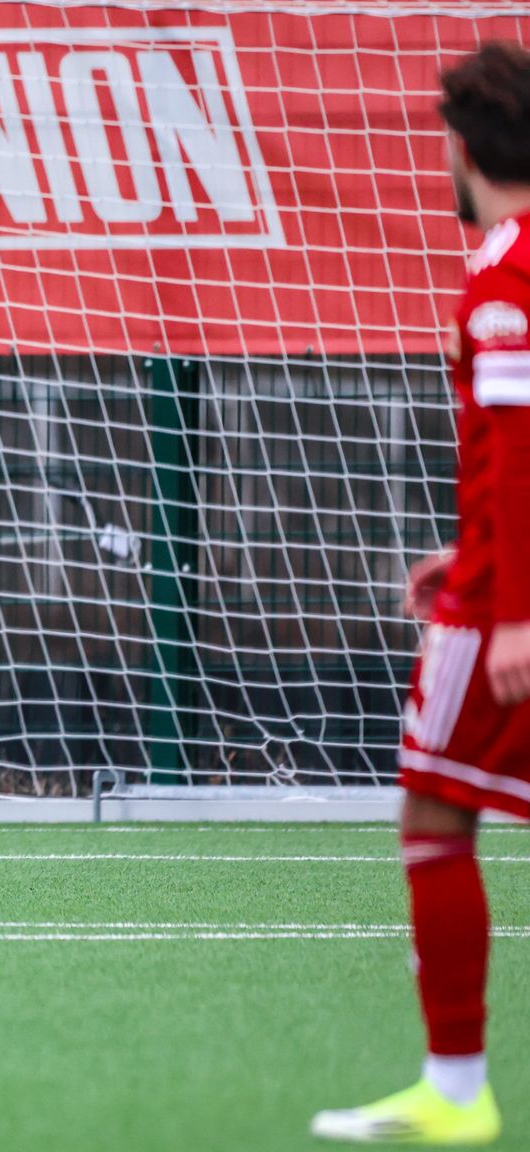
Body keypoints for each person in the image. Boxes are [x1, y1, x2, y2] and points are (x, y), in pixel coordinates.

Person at [310, 41, 530, 1146]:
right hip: (494, 574)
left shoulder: (506, 270)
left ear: (463, 145)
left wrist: (511, 599)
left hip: (506, 612)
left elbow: (519, 442)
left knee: (434, 811)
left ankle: (456, 1090)